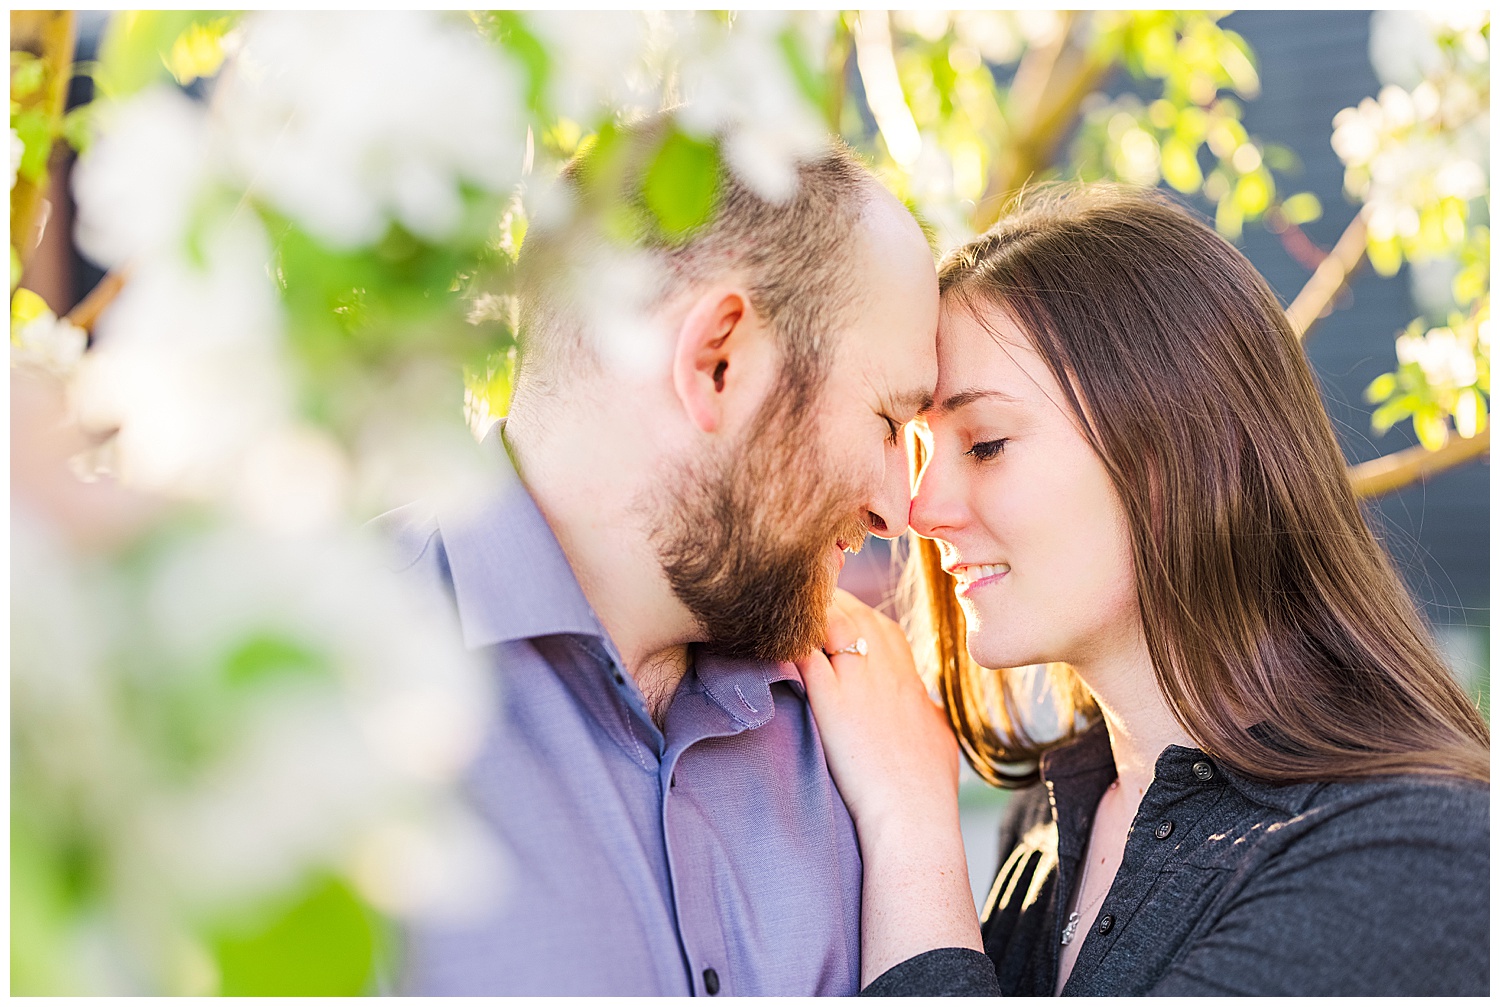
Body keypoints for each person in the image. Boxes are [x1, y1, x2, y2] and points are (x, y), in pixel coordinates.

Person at [799, 183, 1490, 996]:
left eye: (984, 444)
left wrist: (911, 834)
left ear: (1174, 456)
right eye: (918, 449)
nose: (919, 510)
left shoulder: (1412, 854)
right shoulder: (1056, 824)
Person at [376, 120, 939, 995]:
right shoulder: (307, 681)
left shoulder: (860, 732)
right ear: (716, 362)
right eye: (886, 422)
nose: (900, 511)